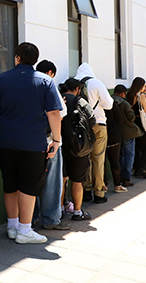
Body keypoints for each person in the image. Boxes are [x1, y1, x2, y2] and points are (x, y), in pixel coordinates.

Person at [0, 42, 62, 245]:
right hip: (33, 143)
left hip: (5, 141)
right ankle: (25, 230)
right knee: (29, 186)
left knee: (10, 184)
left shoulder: (2, 78)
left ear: (17, 58)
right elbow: (53, 112)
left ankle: (12, 226)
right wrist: (56, 139)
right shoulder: (46, 81)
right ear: (35, 60)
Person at [32, 60, 69, 231]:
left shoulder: (29, 85)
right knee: (52, 182)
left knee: (31, 181)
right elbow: (59, 113)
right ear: (50, 73)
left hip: (31, 141)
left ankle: (30, 218)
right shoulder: (49, 85)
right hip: (50, 141)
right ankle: (51, 219)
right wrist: (56, 140)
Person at [73, 63, 113, 204]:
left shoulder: (75, 85)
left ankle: (86, 190)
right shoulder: (96, 83)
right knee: (98, 159)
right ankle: (99, 193)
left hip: (82, 127)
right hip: (98, 124)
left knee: (85, 158)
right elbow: (109, 105)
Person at [61, 78, 96, 221]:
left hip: (60, 145)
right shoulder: (81, 101)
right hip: (78, 146)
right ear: (77, 89)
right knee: (77, 181)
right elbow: (92, 120)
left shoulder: (59, 99)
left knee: (62, 179)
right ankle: (77, 212)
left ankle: (60, 210)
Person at [107, 85, 135, 191]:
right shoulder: (123, 103)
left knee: (118, 157)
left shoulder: (107, 100)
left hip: (109, 134)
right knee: (128, 155)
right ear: (123, 94)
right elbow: (130, 117)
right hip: (123, 132)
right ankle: (125, 179)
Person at [127, 78, 146, 179]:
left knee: (138, 147)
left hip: (135, 122)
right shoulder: (141, 96)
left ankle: (137, 168)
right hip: (143, 123)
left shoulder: (130, 95)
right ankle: (143, 169)